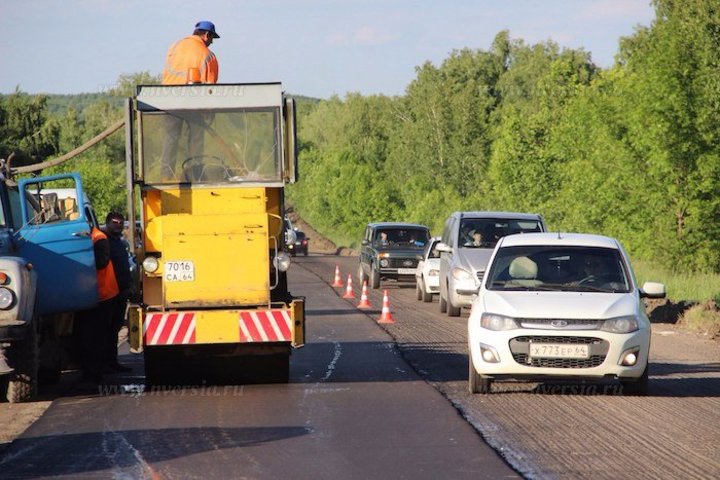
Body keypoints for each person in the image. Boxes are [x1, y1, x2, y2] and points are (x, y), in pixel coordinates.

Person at [160, 21, 221, 180]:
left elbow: (166, 74)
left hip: (168, 99)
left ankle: (166, 176)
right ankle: (195, 176)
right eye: (212, 38)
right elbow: (210, 89)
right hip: (193, 103)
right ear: (206, 35)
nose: (212, 42)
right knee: (196, 140)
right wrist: (209, 110)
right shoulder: (208, 55)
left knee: (171, 138)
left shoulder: (175, 46)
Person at [74, 224, 119, 383]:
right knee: (89, 335)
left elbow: (101, 262)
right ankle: (92, 370)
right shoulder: (93, 237)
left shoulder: (99, 238)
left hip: (103, 294)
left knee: (95, 336)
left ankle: (94, 373)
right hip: (93, 293)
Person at [103, 212, 133, 373]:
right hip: (109, 293)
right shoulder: (105, 241)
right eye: (115, 222)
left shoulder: (118, 242)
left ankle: (112, 362)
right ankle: (105, 364)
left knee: (114, 329)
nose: (118, 225)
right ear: (107, 223)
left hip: (120, 292)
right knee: (106, 330)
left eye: (121, 223)